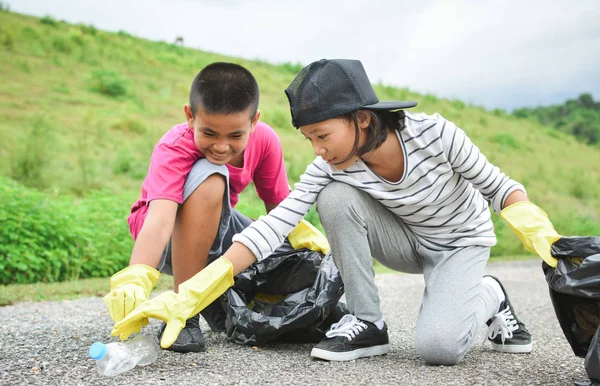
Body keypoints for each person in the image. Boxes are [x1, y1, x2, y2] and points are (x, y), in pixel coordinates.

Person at [111, 59, 562, 365]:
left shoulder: (437, 135)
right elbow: (277, 223)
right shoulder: (329, 166)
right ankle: (367, 321)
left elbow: (499, 187)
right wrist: (194, 291)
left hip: (459, 242)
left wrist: (533, 223)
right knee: (334, 197)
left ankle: (487, 294)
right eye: (309, 139)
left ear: (361, 119)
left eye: (322, 136)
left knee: (439, 349)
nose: (317, 149)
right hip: (402, 241)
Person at [102, 61, 329, 354]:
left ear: (253, 121)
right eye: (209, 133)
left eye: (235, 135)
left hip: (217, 228)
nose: (221, 146)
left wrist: (301, 240)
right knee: (211, 176)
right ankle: (186, 313)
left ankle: (235, 303)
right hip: (166, 235)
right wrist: (137, 275)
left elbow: (279, 208)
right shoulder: (174, 147)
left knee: (302, 260)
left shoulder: (266, 141)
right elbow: (159, 219)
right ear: (190, 116)